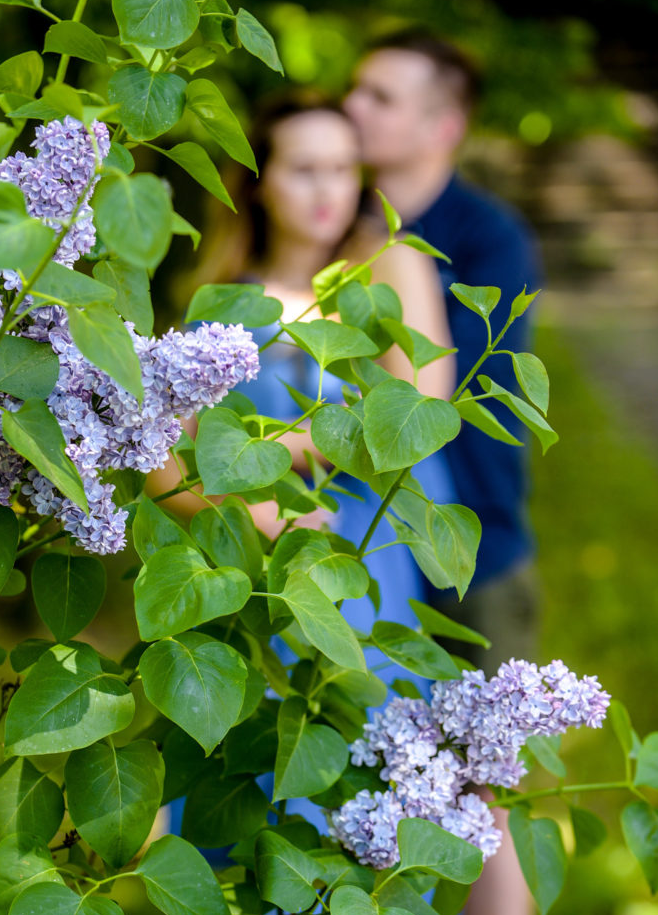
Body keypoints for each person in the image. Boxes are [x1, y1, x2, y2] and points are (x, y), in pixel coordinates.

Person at [344, 30, 543, 915]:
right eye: (353, 93)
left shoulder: (483, 237)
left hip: (471, 548)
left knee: (482, 793)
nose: (356, 110)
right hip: (364, 549)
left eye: (380, 96)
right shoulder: (341, 219)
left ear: (440, 123)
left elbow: (447, 409)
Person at [163, 91, 457, 646]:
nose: (328, 190)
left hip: (363, 546)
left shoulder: (387, 266)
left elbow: (417, 409)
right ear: (258, 183)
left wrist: (243, 455)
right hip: (249, 555)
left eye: (343, 168)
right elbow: (162, 458)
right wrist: (257, 510)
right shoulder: (220, 303)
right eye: (304, 170)